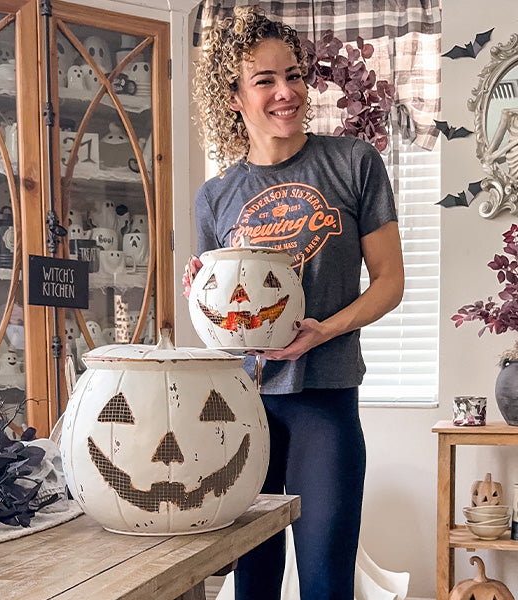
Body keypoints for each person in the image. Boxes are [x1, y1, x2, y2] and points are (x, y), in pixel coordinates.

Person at [185, 6, 404, 600]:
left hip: (325, 402)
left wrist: (323, 331)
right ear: (233, 97)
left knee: (326, 583)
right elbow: (221, 321)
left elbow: (389, 281)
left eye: (295, 76)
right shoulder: (215, 197)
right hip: (242, 410)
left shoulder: (353, 165)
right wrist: (202, 294)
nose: (287, 93)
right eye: (265, 81)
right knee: (251, 582)